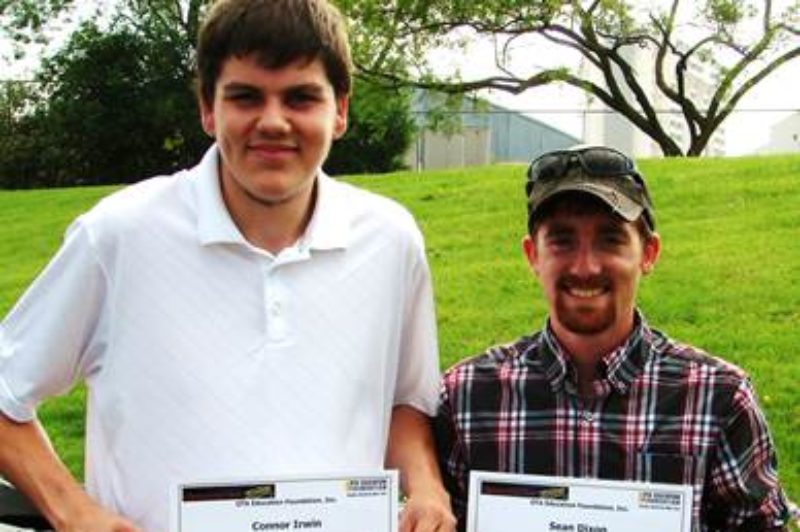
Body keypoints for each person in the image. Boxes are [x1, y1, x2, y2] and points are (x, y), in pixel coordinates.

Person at [0, 1, 455, 530]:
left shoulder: (390, 240)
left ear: (340, 111)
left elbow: (406, 400)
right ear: (208, 109)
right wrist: (73, 511)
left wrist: (425, 487)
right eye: (245, 96)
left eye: (301, 97)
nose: (273, 121)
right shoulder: (119, 235)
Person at [435, 145, 790, 531]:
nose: (585, 267)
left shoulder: (718, 399)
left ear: (648, 253)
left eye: (610, 240)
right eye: (562, 241)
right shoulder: (465, 397)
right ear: (532, 255)